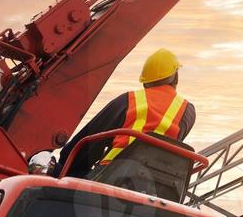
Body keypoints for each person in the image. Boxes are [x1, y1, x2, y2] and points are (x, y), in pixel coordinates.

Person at [56, 48, 197, 177]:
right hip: (160, 183)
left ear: (145, 82)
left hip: (111, 177)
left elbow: (89, 141)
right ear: (175, 77)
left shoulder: (129, 100)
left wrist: (64, 167)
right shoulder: (188, 112)